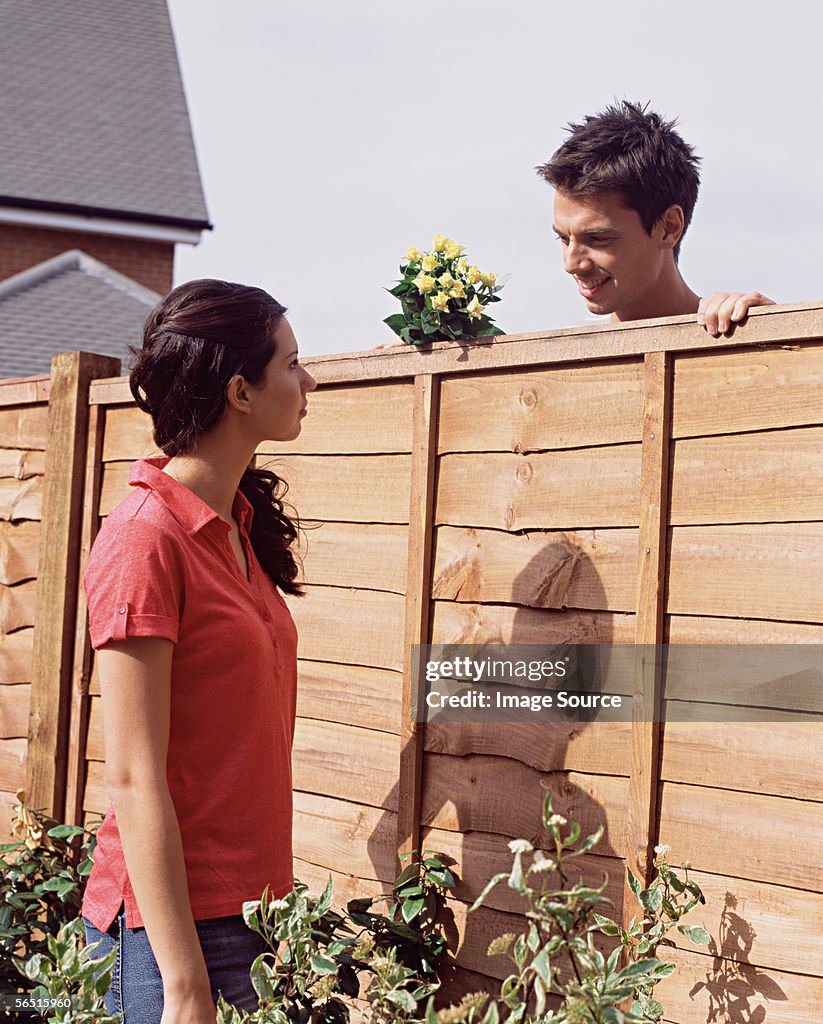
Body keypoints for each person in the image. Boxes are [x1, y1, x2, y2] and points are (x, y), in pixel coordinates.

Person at [81, 279, 316, 1023]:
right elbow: (132, 771)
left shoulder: (236, 525)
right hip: (168, 937)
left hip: (250, 916)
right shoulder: (144, 539)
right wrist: (183, 981)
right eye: (290, 363)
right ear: (240, 391)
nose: (308, 381)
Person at [537, 100, 774, 334]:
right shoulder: (559, 361)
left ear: (669, 227)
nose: (571, 264)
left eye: (598, 239)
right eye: (564, 239)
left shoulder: (739, 336)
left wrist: (778, 333)